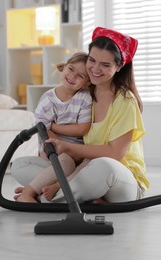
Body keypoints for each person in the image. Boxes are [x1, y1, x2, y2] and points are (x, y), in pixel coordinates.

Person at [12, 27, 149, 204]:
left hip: (120, 178)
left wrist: (68, 148)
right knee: (19, 165)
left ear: (119, 67)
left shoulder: (125, 101)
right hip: (83, 169)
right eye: (92, 60)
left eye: (105, 65)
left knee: (103, 166)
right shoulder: (83, 93)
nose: (95, 69)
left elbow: (115, 153)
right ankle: (79, 195)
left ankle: (42, 196)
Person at [13, 52, 93, 203]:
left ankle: (53, 187)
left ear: (86, 83)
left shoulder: (84, 98)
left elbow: (82, 128)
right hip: (53, 149)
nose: (73, 76)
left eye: (81, 76)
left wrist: (55, 126)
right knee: (64, 162)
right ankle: (29, 192)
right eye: (71, 69)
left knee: (91, 162)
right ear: (63, 68)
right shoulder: (48, 98)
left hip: (78, 151)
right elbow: (44, 129)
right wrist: (60, 147)